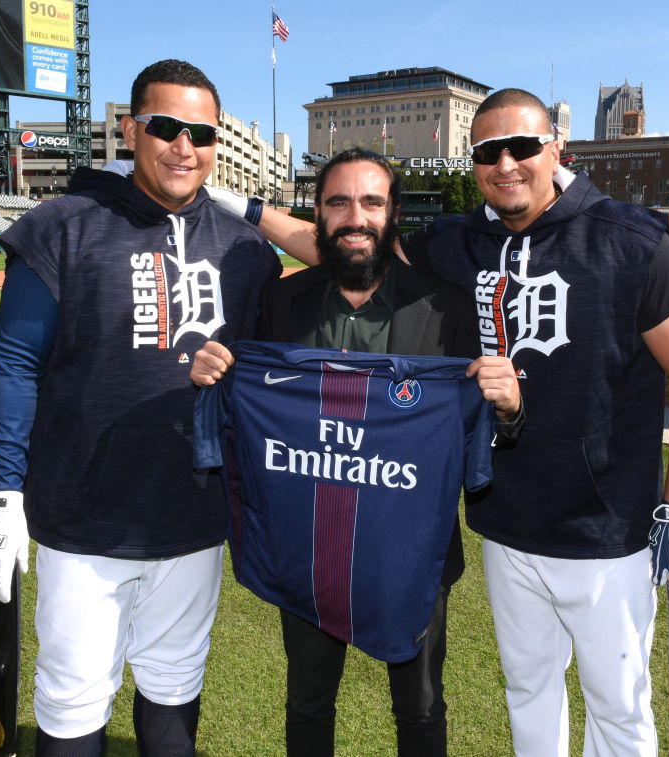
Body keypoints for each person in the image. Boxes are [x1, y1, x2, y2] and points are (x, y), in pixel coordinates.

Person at [206, 88, 669, 756]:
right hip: (505, 525)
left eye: (523, 147)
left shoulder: (631, 238)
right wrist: (246, 207)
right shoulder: (456, 243)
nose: (506, 163)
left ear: (555, 149)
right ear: (472, 161)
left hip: (609, 525)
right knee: (529, 693)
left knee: (618, 709)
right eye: (488, 151)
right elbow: (346, 243)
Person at [0, 59, 282, 757]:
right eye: (165, 127)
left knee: (174, 688)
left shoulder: (246, 251)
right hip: (84, 514)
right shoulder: (62, 225)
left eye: (201, 134)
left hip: (194, 515)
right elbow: (16, 358)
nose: (183, 147)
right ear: (130, 128)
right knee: (74, 696)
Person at [190, 147, 521, 757]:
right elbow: (255, 402)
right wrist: (218, 369)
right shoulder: (281, 302)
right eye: (339, 202)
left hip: (409, 547)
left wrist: (507, 407)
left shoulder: (445, 306)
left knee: (419, 706)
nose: (356, 216)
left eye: (371, 201)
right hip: (309, 540)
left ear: (392, 213)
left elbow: (477, 428)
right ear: (317, 213)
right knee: (309, 700)